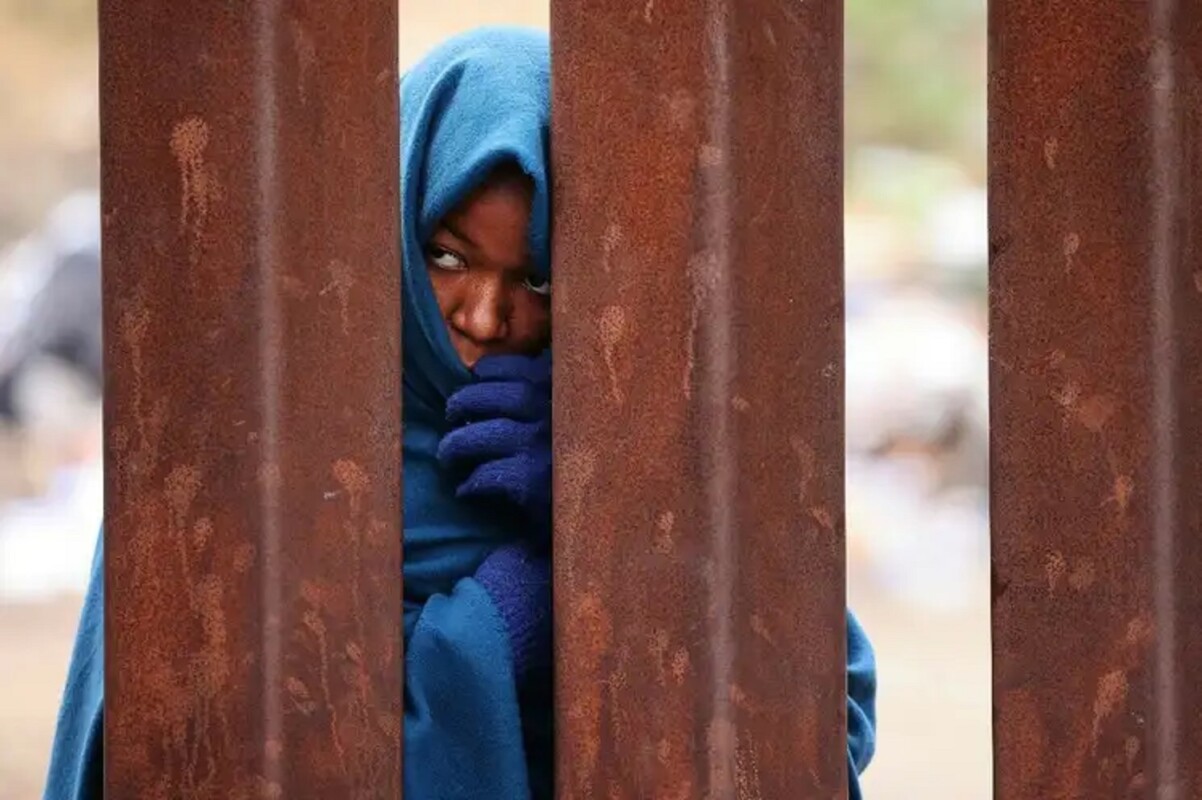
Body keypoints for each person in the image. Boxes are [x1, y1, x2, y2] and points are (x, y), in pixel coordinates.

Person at [44, 27, 875, 800]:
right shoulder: (236, 449)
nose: (483, 316)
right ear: (390, 230)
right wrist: (507, 619)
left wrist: (614, 514)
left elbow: (821, 718)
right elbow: (183, 749)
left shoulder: (667, 446)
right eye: (446, 257)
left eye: (539, 278)